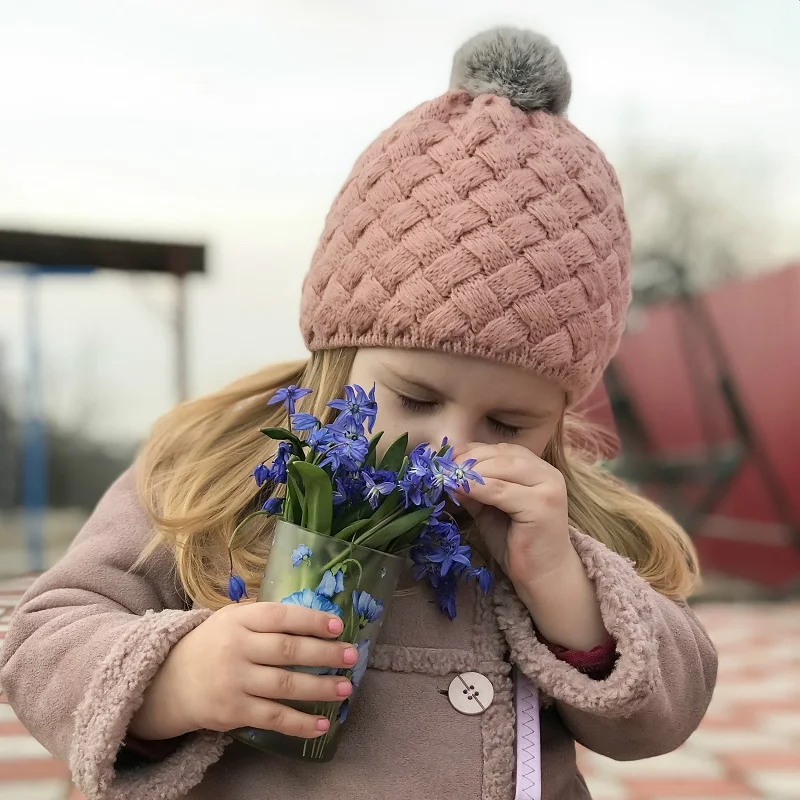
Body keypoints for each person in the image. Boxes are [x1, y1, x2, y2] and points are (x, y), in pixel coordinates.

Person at [0, 26, 717, 800]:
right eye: (414, 398)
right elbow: (46, 635)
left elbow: (668, 709)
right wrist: (174, 678)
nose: (452, 444)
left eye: (510, 424)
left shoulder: (554, 524)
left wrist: (569, 595)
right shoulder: (207, 470)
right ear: (336, 356)